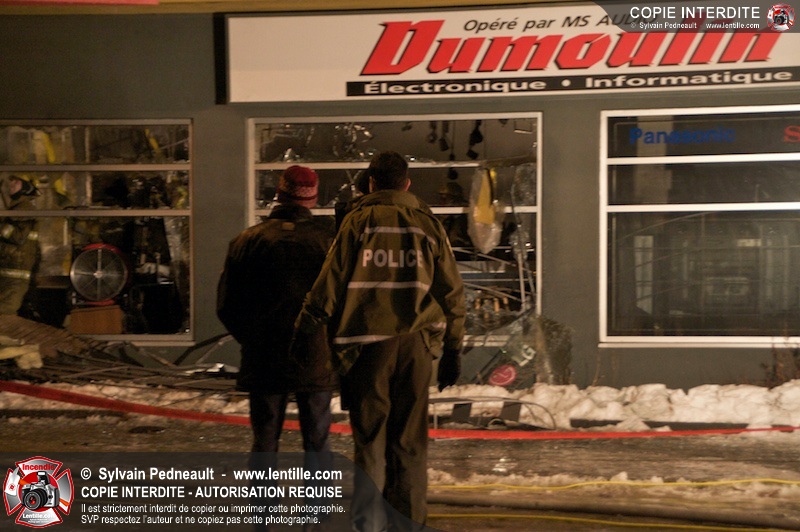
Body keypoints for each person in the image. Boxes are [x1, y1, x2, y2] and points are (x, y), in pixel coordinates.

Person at [294, 151, 466, 531]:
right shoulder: (428, 225)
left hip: (368, 346)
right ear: (407, 183)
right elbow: (452, 291)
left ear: (371, 183)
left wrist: (306, 328)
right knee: (410, 444)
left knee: (371, 442)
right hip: (418, 345)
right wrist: (453, 347)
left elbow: (329, 284)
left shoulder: (358, 222)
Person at [216, 165, 337, 456]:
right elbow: (342, 301)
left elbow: (227, 305)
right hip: (315, 355)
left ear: (280, 194)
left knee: (265, 442)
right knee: (317, 443)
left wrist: (253, 338)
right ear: (313, 199)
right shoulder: (329, 243)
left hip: (265, 355)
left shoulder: (247, 241)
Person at [0, 175, 41, 315]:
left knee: (5, 313)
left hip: (15, 274)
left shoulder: (25, 209)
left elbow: (19, 237)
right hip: (8, 271)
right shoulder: (15, 208)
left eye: (16, 182)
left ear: (26, 187)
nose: (11, 184)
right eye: (11, 181)